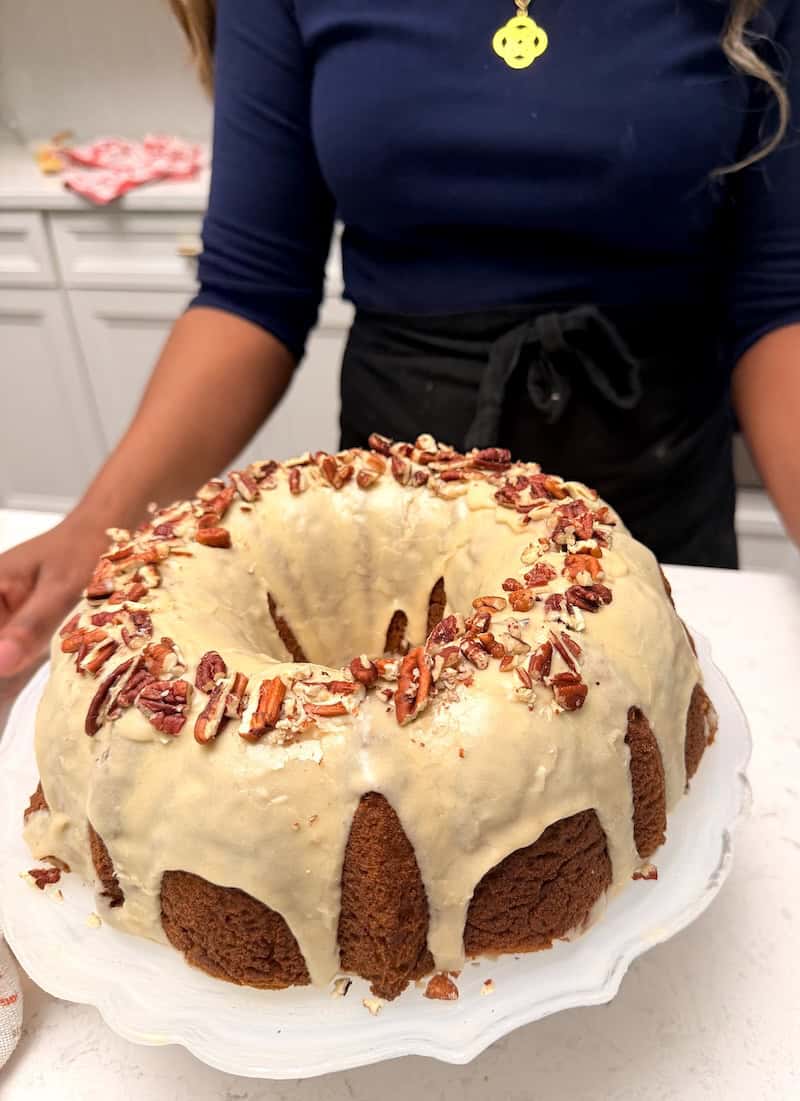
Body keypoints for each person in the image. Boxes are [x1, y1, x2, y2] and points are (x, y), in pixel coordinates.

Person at [1, 0, 799, 682]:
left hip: (657, 495)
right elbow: (251, 291)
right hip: (396, 513)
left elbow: (779, 302)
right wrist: (94, 531)